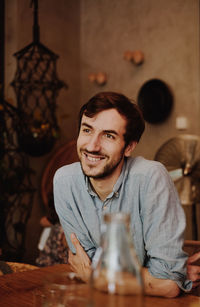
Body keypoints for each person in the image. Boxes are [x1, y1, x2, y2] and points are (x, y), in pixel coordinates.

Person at [53, 91, 200, 298]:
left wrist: (92, 276)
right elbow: (82, 264)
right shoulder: (64, 181)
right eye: (87, 130)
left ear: (129, 147)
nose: (92, 146)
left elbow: (167, 285)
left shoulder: (151, 178)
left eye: (109, 135)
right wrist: (155, 279)